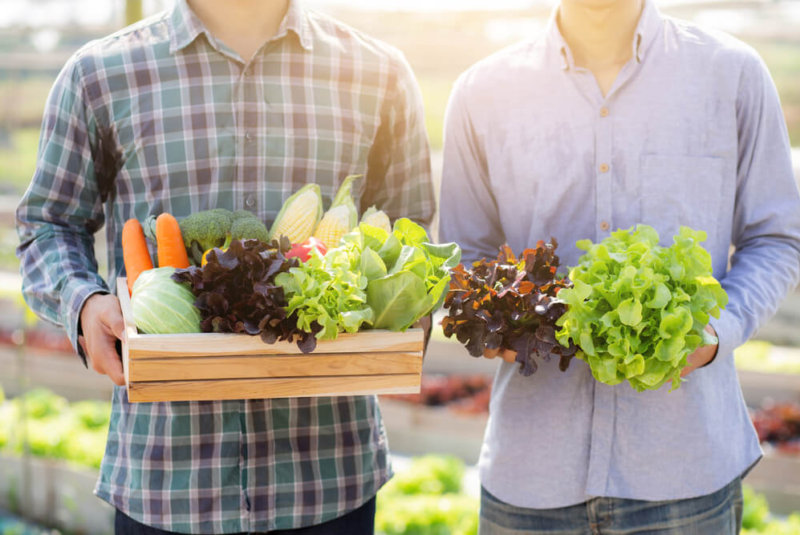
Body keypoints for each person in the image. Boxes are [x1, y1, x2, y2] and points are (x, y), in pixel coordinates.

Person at [16, 1, 434, 533]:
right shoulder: (99, 74)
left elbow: (410, 229)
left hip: (329, 479)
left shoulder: (379, 73)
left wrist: (406, 311)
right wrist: (84, 303)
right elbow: (48, 225)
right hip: (166, 481)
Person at [439, 0, 800, 532]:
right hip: (531, 477)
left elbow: (776, 239)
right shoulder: (481, 92)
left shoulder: (731, 74)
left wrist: (716, 331)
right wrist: (487, 322)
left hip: (684, 475)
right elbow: (464, 258)